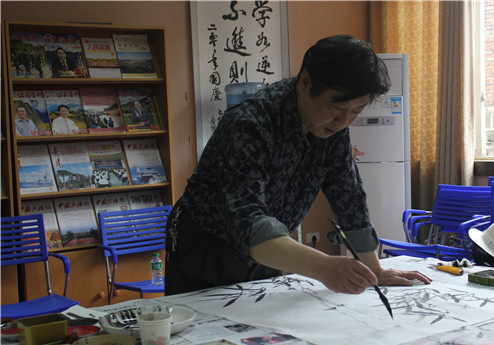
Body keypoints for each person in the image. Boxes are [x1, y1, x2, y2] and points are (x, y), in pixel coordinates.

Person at [165, 35, 432, 296]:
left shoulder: (332, 128)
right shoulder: (248, 125)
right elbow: (247, 220)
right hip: (206, 249)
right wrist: (324, 267)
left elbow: (349, 197)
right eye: (339, 107)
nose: (343, 122)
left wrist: (375, 270)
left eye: (356, 111)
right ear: (306, 82)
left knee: (259, 321)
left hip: (268, 250)